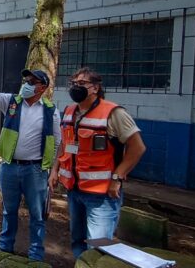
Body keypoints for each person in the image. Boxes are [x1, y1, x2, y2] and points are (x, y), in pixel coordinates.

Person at [49, 67, 146, 258]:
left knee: (98, 247)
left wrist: (117, 178)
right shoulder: (69, 111)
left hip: (101, 195)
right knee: (77, 240)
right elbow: (64, 145)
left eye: (82, 83)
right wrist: (55, 170)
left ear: (95, 88)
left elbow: (138, 147)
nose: (76, 87)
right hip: (74, 191)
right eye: (74, 83)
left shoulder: (113, 113)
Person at [0, 69, 61, 262]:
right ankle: (4, 248)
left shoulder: (51, 111)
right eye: (26, 79)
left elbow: (57, 143)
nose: (26, 83)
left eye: (32, 81)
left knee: (37, 214)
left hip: (35, 171)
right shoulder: (12, 102)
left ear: (42, 88)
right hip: (10, 167)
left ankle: (36, 256)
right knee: (9, 211)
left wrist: (53, 170)